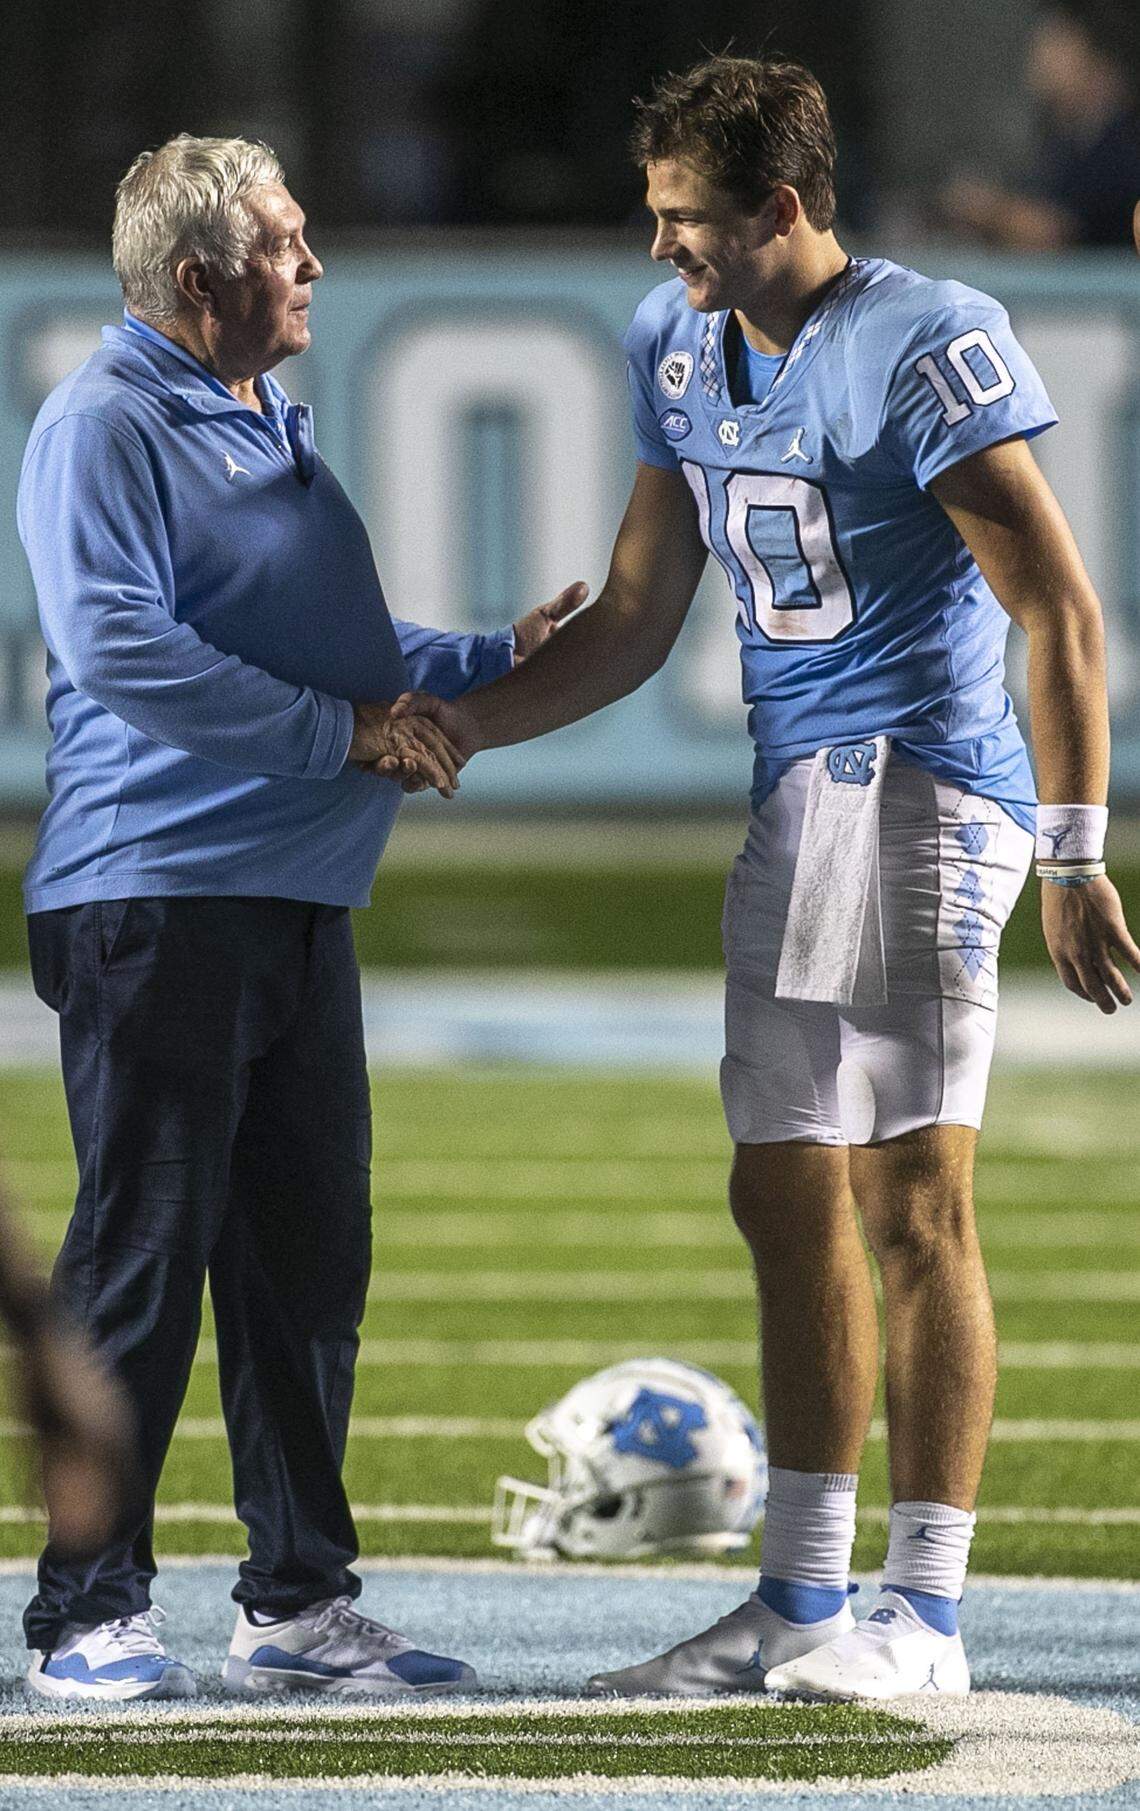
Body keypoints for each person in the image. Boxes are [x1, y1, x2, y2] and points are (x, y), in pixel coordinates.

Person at [390, 55, 1140, 1700]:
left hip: (933, 798)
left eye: (684, 223)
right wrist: (466, 727)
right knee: (781, 1194)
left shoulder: (915, 340)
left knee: (914, 1201)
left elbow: (1061, 611)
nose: (659, 253)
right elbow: (644, 614)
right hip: (799, 801)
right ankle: (799, 1604)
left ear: (779, 210)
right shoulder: (681, 341)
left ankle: (922, 1617)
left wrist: (1079, 851)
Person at [17, 132, 578, 1702]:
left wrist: (472, 656)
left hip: (288, 893)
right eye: (287, 244)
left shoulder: (250, 405)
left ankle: (297, 1601)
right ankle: (85, 1610)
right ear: (197, 279)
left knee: (304, 1261)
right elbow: (119, 646)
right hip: (157, 890)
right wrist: (347, 737)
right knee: (144, 1253)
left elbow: (326, 637)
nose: (312, 265)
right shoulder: (106, 420)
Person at [938, 0, 1140, 250]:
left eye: (1057, 45)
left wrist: (990, 210)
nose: (1040, 57)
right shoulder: (1065, 142)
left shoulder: (1123, 146)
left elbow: (1056, 233)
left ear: (1099, 62)